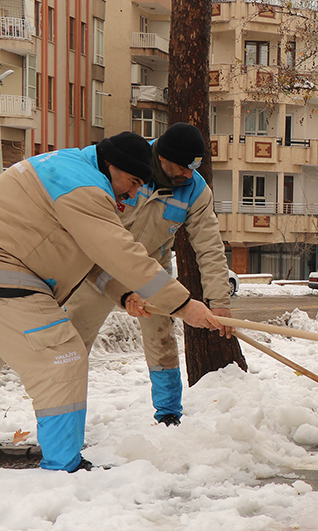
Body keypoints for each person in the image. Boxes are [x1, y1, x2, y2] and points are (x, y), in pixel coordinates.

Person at [0, 132, 223, 472]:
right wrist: (184, 305)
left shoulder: (70, 167)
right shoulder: (87, 189)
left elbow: (94, 258)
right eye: (131, 183)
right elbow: (118, 252)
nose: (131, 194)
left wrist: (125, 295)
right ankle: (63, 467)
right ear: (112, 166)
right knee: (63, 356)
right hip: (1, 274)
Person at [64, 123, 234, 427]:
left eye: (194, 167)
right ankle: (63, 415)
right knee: (73, 341)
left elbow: (209, 246)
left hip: (151, 268)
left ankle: (168, 413)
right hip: (98, 263)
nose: (188, 175)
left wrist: (219, 301)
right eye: (183, 167)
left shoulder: (195, 190)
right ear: (164, 158)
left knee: (162, 340)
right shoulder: (129, 165)